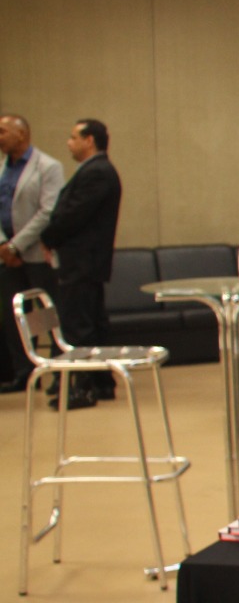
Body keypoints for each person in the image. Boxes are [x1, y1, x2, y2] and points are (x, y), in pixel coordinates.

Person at [40, 119, 122, 408]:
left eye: (73, 137)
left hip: (82, 262)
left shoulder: (97, 172)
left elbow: (74, 214)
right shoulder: (95, 170)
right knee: (92, 324)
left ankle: (83, 387)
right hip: (85, 262)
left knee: (79, 327)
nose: (69, 142)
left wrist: (48, 236)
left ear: (89, 140)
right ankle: (102, 382)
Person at [0, 114, 65, 391]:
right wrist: (4, 246)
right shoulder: (2, 168)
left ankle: (57, 372)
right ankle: (23, 373)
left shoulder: (48, 166)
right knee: (14, 316)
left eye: (2, 131)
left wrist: (16, 245)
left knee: (45, 316)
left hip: (36, 255)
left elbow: (48, 212)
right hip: (7, 257)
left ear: (22, 134)